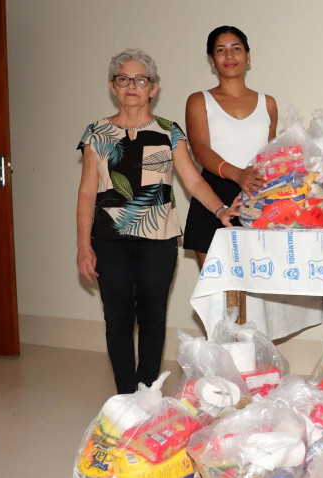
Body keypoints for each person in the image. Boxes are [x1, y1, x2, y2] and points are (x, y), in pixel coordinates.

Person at [76, 48, 240, 394]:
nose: (131, 86)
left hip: (158, 239)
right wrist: (83, 246)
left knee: (152, 317)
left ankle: (148, 392)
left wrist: (220, 209)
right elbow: (87, 192)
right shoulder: (97, 133)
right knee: (117, 318)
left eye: (140, 80)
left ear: (153, 88)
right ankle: (126, 395)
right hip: (108, 240)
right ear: (113, 86)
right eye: (123, 79)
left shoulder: (169, 132)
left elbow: (193, 181)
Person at [183, 26, 278, 268]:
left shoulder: (268, 103)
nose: (229, 56)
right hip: (212, 197)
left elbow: (270, 156)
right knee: (216, 288)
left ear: (248, 56)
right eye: (220, 50)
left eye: (236, 49)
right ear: (212, 60)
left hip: (257, 197)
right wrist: (237, 174)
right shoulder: (199, 100)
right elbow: (200, 149)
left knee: (257, 283)